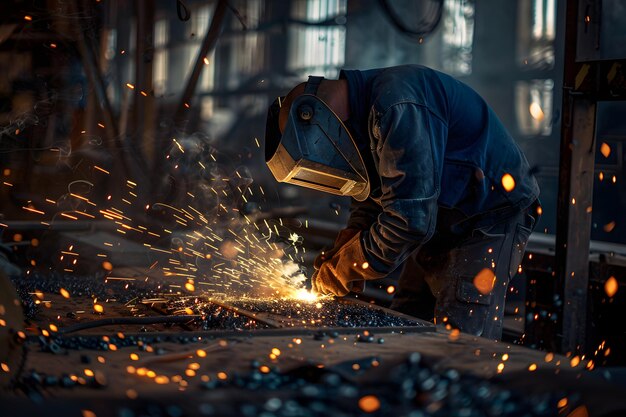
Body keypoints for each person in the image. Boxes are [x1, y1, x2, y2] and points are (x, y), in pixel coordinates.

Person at [264, 65, 540, 340]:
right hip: (438, 215)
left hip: (489, 217)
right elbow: (377, 193)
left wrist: (348, 265)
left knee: (459, 335)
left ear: (316, 118)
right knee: (407, 316)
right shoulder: (362, 121)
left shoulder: (398, 105)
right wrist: (353, 237)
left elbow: (409, 222)